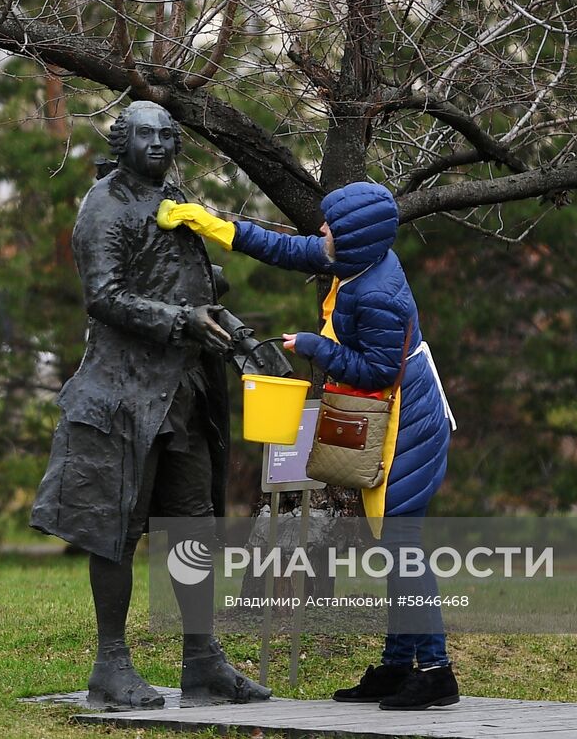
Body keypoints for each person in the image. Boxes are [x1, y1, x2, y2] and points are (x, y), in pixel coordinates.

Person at [158, 180, 460, 711]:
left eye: (330, 227)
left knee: (403, 548)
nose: (320, 231)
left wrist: (317, 346)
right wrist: (213, 224)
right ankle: (396, 668)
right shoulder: (356, 261)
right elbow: (286, 248)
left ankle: (436, 672)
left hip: (407, 424)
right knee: (394, 547)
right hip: (389, 413)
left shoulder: (379, 296)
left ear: (353, 238)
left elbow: (375, 372)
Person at [30, 101, 271, 710]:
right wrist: (180, 319)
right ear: (122, 141)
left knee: (191, 523)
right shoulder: (105, 205)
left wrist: (237, 335)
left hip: (183, 393)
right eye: (146, 135)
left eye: (167, 135)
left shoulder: (175, 199)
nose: (159, 144)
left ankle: (202, 660)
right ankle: (110, 664)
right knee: (118, 527)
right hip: (123, 395)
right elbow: (103, 296)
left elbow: (192, 287)